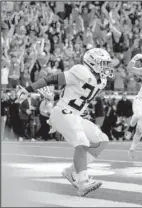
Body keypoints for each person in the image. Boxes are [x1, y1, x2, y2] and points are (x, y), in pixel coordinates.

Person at [16, 48, 113, 197]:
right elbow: (53, 79)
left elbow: (74, 93)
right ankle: (82, 183)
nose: (106, 67)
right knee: (82, 143)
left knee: (102, 140)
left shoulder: (102, 81)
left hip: (75, 115)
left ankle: (72, 171)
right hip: (62, 113)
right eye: (103, 64)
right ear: (92, 63)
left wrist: (54, 97)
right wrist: (29, 89)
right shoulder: (81, 71)